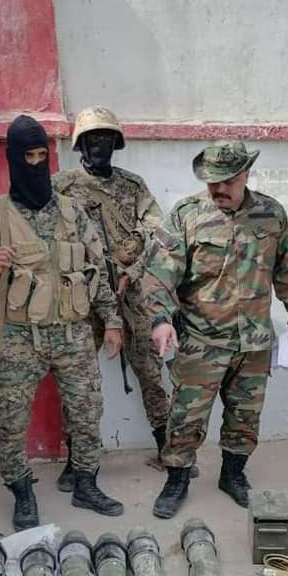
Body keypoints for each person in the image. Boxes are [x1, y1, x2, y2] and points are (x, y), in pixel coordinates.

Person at [0, 115, 124, 530]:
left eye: (41, 156)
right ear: (13, 159)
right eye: (28, 156)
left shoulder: (73, 213)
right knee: (11, 420)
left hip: (72, 333)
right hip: (19, 337)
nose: (35, 164)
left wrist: (112, 321)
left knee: (87, 413)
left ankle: (86, 484)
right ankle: (22, 492)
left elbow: (97, 270)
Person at [142, 139, 288, 519]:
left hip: (253, 343)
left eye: (228, 181)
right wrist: (161, 319)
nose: (219, 188)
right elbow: (159, 275)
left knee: (244, 417)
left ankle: (232, 475)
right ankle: (177, 480)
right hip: (201, 342)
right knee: (186, 419)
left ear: (246, 174)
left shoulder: (271, 213)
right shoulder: (187, 215)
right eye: (212, 181)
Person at [52, 105, 173, 487]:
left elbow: (159, 233)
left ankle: (168, 448)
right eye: (92, 138)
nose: (99, 144)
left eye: (106, 137)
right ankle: (78, 459)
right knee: (78, 380)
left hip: (131, 291)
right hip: (83, 295)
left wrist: (132, 271)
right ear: (80, 143)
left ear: (116, 143)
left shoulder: (133, 186)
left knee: (150, 371)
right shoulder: (61, 186)